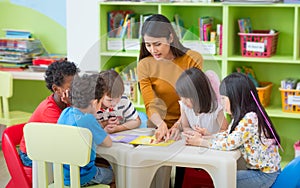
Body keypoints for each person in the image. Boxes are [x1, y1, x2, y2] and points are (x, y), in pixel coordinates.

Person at [137, 14, 203, 188]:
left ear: (171, 38)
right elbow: (149, 102)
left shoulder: (192, 59)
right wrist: (160, 124)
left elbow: (194, 101)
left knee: (183, 174)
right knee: (157, 176)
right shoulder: (145, 64)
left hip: (188, 123)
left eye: (157, 44)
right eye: (148, 44)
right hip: (159, 124)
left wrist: (179, 125)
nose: (153, 49)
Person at [187, 72, 281, 188]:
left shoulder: (250, 119)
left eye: (223, 98)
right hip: (259, 172)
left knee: (224, 179)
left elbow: (229, 143)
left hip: (265, 175)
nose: (222, 102)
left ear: (235, 98)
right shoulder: (242, 117)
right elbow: (229, 135)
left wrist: (201, 142)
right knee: (222, 177)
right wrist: (208, 136)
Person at [19, 60, 79, 167]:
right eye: (72, 87)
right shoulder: (49, 110)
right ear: (56, 89)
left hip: (50, 148)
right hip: (31, 155)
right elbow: (71, 136)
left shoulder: (67, 103)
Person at [57, 73, 113, 186]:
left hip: (61, 175)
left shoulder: (65, 113)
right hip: (82, 177)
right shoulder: (88, 119)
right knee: (115, 175)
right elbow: (108, 143)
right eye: (100, 102)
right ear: (94, 103)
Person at [175, 67, 228, 142]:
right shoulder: (184, 106)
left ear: (200, 95)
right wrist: (194, 133)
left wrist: (209, 135)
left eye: (187, 98)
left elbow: (225, 130)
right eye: (181, 97)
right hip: (195, 144)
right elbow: (185, 127)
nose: (183, 101)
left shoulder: (216, 108)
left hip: (211, 145)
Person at [96, 69, 141, 133]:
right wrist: (105, 124)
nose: (114, 103)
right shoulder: (94, 105)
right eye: (110, 100)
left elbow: (137, 121)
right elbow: (88, 127)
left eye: (118, 98)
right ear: (101, 95)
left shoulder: (123, 100)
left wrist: (118, 128)